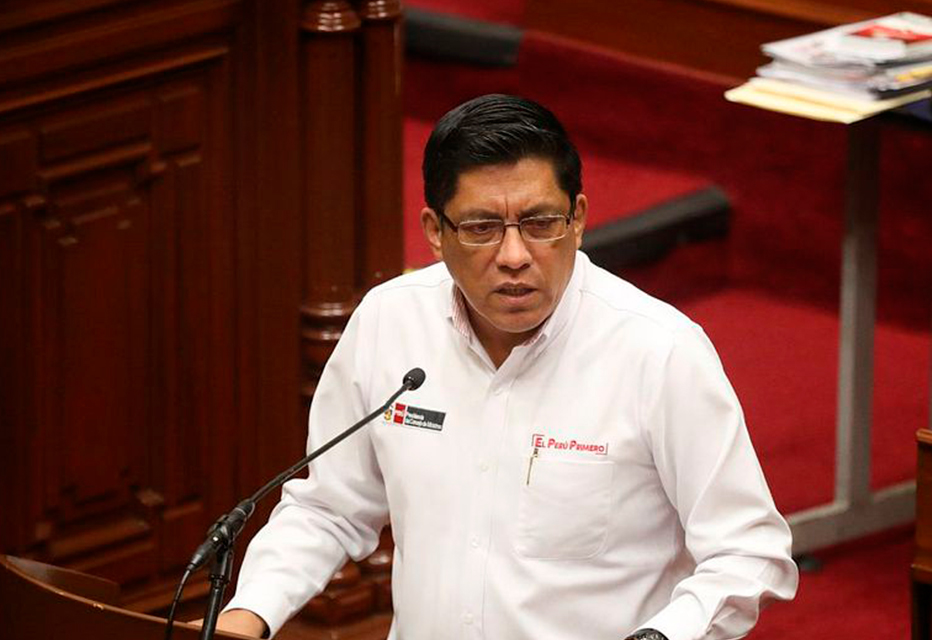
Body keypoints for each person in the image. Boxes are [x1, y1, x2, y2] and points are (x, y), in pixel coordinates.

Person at [212, 94, 798, 639]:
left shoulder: (659, 351)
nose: (514, 256)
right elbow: (328, 508)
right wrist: (246, 616)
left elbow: (748, 551)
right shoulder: (389, 322)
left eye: (541, 224)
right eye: (481, 229)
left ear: (578, 219)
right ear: (435, 233)